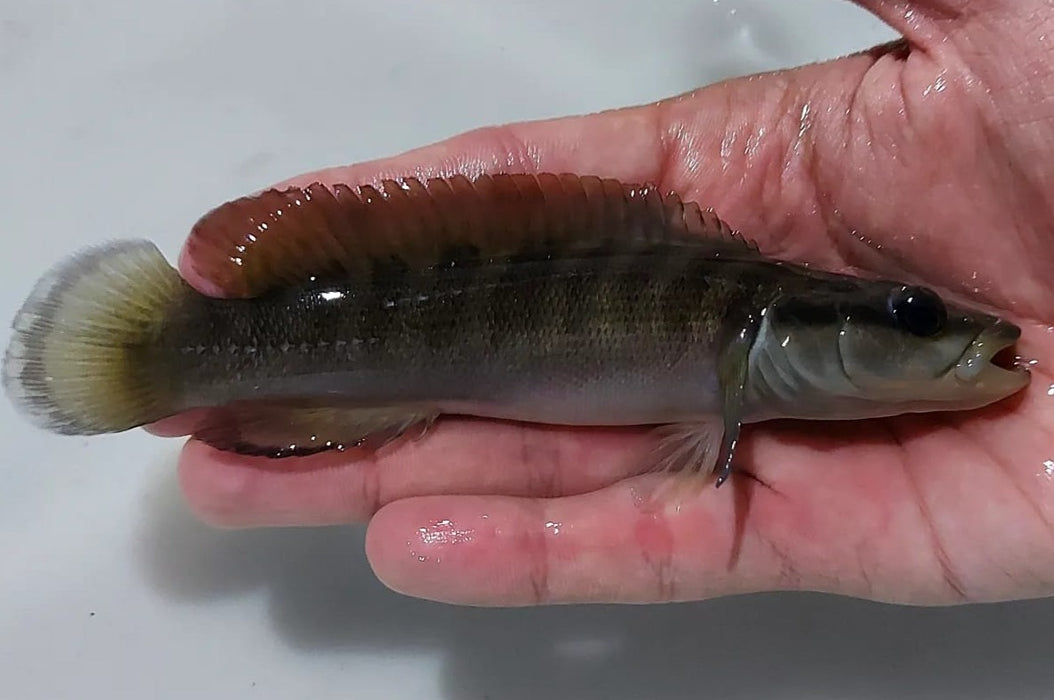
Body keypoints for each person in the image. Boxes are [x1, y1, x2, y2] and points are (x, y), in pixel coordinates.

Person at [165, 0, 1054, 606]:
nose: (967, 338)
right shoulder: (733, 327)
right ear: (783, 329)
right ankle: (177, 356)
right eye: (913, 316)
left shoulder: (745, 345)